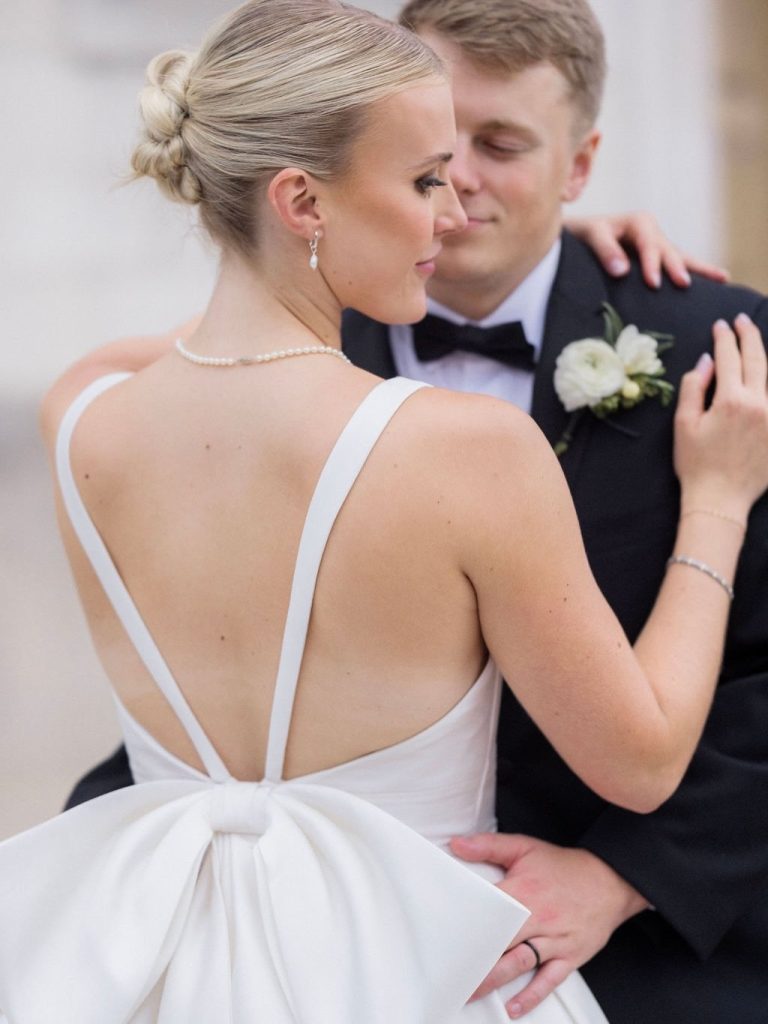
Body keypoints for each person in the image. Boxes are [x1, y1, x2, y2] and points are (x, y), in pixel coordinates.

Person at [12, 0, 767, 1021]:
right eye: (425, 175)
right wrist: (718, 501)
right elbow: (639, 760)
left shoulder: (83, 411)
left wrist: (531, 242)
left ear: (575, 165)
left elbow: (216, 338)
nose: (457, 205)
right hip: (429, 965)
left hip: (163, 955)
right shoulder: (473, 452)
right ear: (303, 199)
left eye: (494, 155)